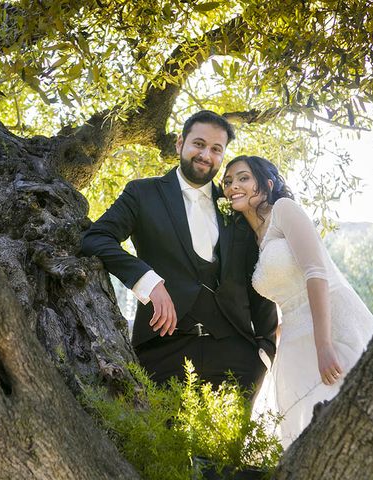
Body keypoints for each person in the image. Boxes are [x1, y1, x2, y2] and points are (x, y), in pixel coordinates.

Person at [81, 111, 278, 397]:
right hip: (162, 351)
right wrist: (148, 282)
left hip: (237, 355)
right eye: (199, 144)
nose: (205, 155)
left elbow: (258, 276)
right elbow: (96, 238)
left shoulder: (235, 204)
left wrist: (265, 349)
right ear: (179, 143)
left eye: (215, 149)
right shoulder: (142, 193)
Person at [222, 155, 373, 447]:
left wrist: (324, 346)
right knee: (309, 435)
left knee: (355, 421)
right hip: (294, 340)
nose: (233, 186)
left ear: (267, 184)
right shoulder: (253, 241)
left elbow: (316, 273)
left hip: (332, 325)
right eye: (228, 181)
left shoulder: (284, 210)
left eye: (243, 178)